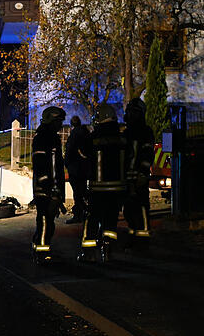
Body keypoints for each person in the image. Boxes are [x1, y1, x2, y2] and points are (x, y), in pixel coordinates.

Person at [79, 103, 131, 263]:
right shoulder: (123, 138)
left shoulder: (93, 138)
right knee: (111, 219)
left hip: (98, 188)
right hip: (118, 188)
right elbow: (130, 157)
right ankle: (108, 249)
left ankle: (89, 253)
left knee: (92, 219)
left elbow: (82, 154)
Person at [31, 106, 67, 265]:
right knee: (45, 220)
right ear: (51, 121)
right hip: (46, 189)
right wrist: (52, 190)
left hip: (50, 189)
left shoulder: (49, 137)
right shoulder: (45, 139)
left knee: (46, 221)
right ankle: (42, 252)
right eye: (59, 121)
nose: (60, 125)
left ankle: (38, 245)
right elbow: (43, 166)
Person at [123, 98, 155, 249]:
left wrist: (143, 173)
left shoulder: (145, 132)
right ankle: (133, 236)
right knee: (129, 209)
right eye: (129, 112)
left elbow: (148, 154)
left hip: (139, 177)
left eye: (132, 112)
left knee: (141, 207)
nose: (129, 115)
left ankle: (143, 238)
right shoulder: (127, 133)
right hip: (127, 178)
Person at [64, 115, 90, 224]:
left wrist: (66, 163)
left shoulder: (74, 134)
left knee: (78, 193)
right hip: (84, 167)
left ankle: (80, 213)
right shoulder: (86, 133)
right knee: (82, 190)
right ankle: (84, 211)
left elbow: (69, 151)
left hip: (75, 168)